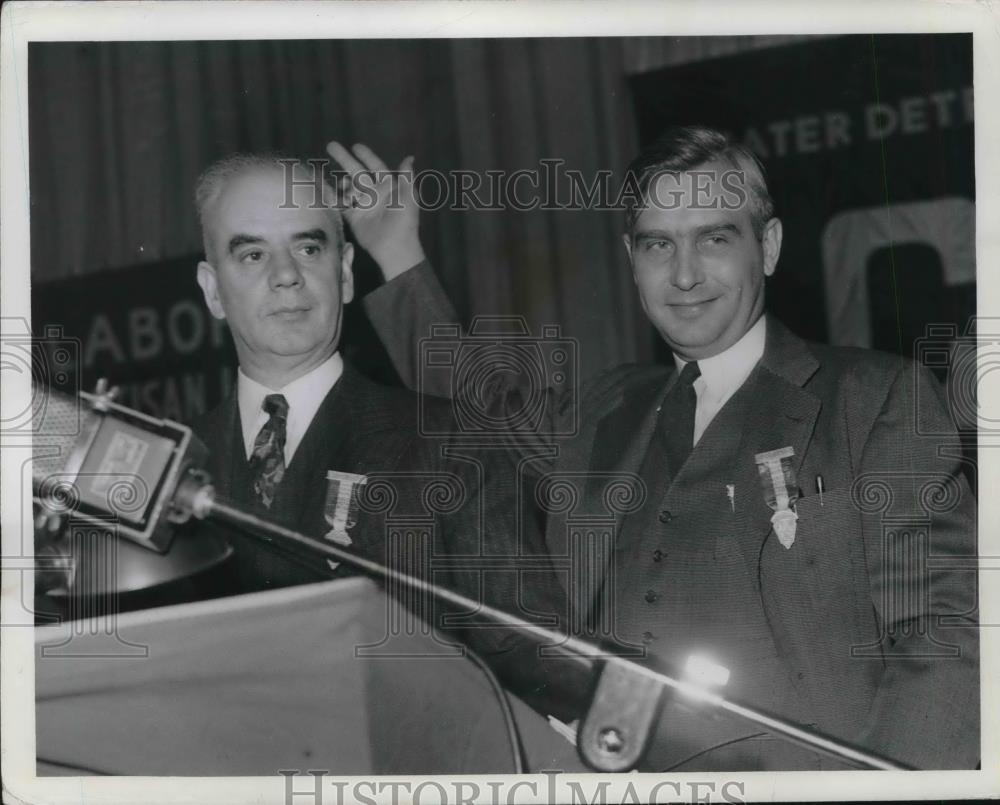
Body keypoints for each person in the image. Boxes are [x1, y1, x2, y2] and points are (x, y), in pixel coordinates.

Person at [329, 127, 979, 771]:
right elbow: (478, 407)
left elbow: (948, 628)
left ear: (770, 246)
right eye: (658, 244)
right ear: (630, 258)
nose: (686, 273)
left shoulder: (877, 397)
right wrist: (397, 252)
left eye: (715, 238)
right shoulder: (605, 408)